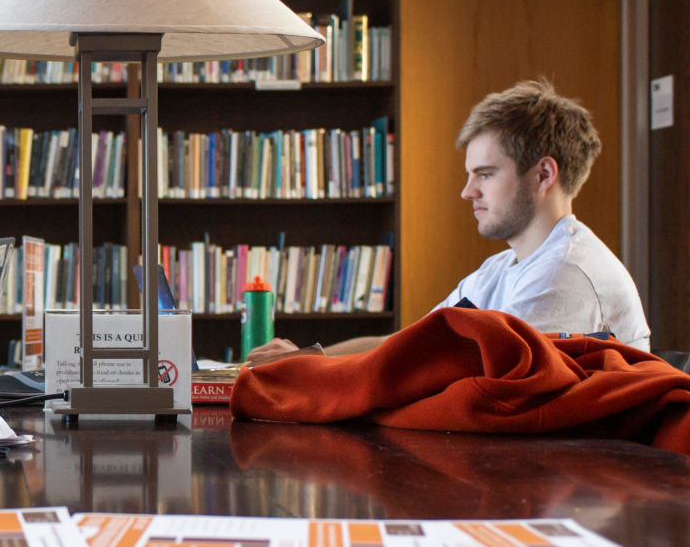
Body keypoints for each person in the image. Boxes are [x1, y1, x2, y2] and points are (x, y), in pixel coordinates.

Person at [251, 78, 649, 364]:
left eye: (486, 174)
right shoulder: (502, 268)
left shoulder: (564, 275)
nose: (467, 191)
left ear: (544, 175)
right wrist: (308, 358)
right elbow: (406, 343)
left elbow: (462, 377)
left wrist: (313, 370)